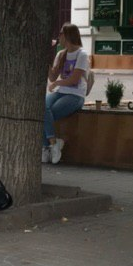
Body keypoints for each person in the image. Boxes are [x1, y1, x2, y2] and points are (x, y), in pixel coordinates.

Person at [43, 23, 89, 164]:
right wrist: (46, 58)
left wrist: (57, 83)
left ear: (68, 35)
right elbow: (52, 77)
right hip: (61, 92)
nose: (59, 37)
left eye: (61, 34)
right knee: (41, 107)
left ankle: (47, 146)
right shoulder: (61, 54)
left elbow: (74, 79)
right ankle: (52, 143)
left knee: (49, 113)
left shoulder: (82, 55)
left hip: (76, 95)